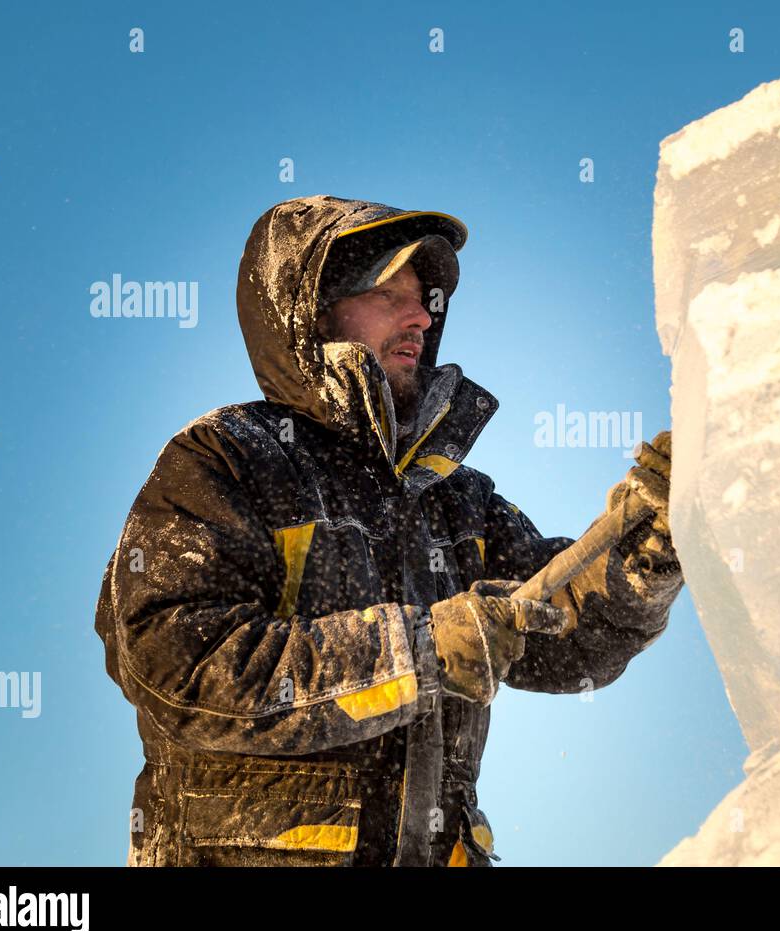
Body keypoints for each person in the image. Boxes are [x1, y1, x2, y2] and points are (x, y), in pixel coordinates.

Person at [94, 195, 684, 866]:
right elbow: (179, 663)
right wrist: (420, 652)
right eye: (389, 293)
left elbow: (570, 639)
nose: (421, 316)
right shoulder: (223, 461)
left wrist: (653, 538)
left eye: (426, 299)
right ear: (310, 314)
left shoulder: (457, 499)